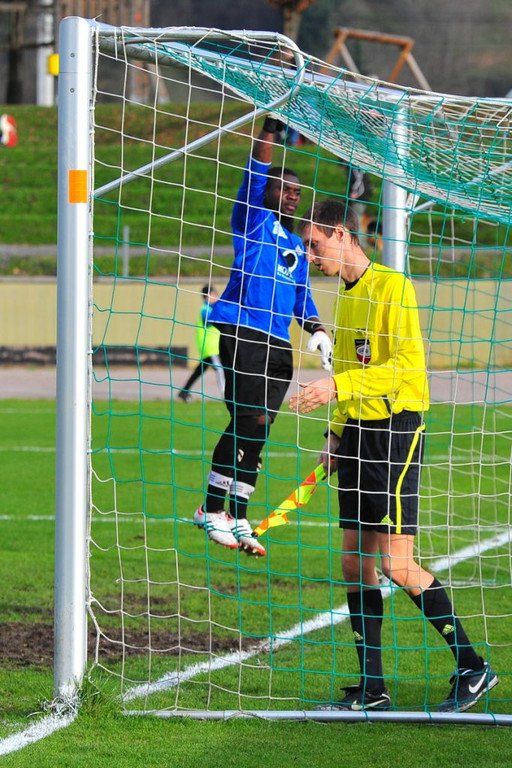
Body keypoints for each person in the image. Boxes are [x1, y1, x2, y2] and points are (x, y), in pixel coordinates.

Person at [290, 199, 498, 713]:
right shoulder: (345, 295)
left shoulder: (393, 286)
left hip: (396, 430)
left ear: (342, 234)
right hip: (358, 433)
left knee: (394, 563)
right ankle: (372, 688)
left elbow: (406, 368)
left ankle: (473, 667)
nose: (311, 257)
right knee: (354, 562)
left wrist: (335, 387)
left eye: (314, 245)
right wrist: (336, 435)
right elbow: (352, 367)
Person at [193, 116, 332, 557]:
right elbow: (257, 170)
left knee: (260, 427)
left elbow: (302, 297)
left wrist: (318, 329)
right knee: (247, 420)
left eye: (296, 192)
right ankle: (211, 508)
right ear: (267, 192)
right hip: (245, 333)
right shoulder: (253, 220)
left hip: (279, 345)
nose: (291, 195)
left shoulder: (296, 246)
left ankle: (237, 515)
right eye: (284, 188)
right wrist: (271, 128)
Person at [178, 285, 225, 402]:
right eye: (213, 295)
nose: (216, 297)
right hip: (210, 347)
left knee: (200, 370)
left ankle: (184, 392)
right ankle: (226, 395)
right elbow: (211, 321)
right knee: (220, 369)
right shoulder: (206, 310)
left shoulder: (212, 308)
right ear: (207, 296)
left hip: (211, 347)